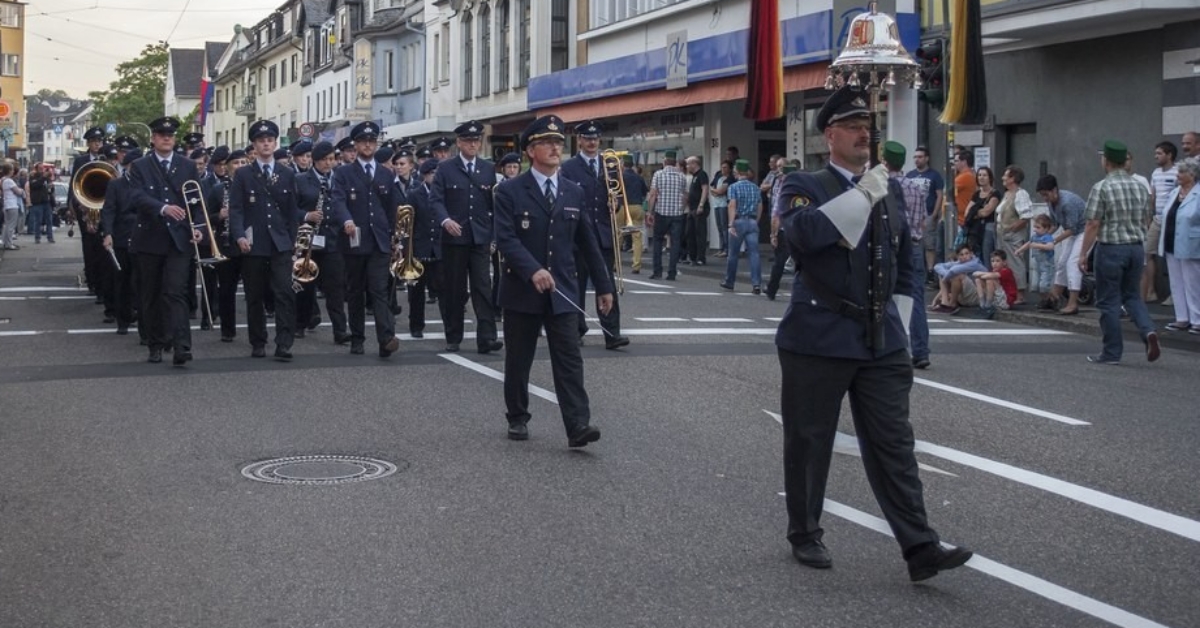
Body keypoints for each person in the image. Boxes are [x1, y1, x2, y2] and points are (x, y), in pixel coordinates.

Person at [775, 84, 972, 580]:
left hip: (880, 338)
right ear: (830, 134)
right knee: (810, 441)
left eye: (869, 127)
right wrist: (862, 194)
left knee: (894, 443)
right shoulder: (804, 182)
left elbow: (906, 260)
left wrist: (900, 325)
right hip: (819, 332)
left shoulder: (888, 188)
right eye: (855, 127)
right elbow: (803, 235)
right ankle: (805, 531)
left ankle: (919, 545)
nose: (866, 135)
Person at [493, 114, 614, 447]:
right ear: (531, 150)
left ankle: (578, 424)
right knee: (519, 359)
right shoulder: (510, 191)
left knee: (569, 358)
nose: (554, 148)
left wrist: (604, 287)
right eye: (547, 143)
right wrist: (532, 269)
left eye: (559, 142)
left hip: (563, 290)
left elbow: (588, 242)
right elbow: (506, 239)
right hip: (522, 289)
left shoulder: (573, 191)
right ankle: (517, 416)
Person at [127, 116, 203, 366]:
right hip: (150, 238)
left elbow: (195, 199)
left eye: (170, 135)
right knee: (151, 294)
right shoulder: (140, 166)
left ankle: (182, 346)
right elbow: (136, 198)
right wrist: (163, 208)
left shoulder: (187, 166)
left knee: (175, 292)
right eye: (162, 135)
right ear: (153, 139)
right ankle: (156, 343)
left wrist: (198, 227)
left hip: (179, 239)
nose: (167, 138)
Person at [1078, 140, 1160, 365]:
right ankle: (1148, 331)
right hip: (1135, 247)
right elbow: (1147, 217)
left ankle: (1112, 352)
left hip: (1111, 248)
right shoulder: (1139, 186)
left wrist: (1083, 252)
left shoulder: (1101, 187)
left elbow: (1093, 223)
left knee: (1108, 302)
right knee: (1132, 295)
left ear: (1107, 161)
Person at [228, 120, 303, 361]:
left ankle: (284, 343)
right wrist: (239, 235)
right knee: (255, 295)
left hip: (280, 242)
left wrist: (294, 241)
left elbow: (292, 211)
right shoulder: (243, 174)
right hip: (254, 242)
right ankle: (258, 341)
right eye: (261, 141)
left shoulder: (287, 173)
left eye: (270, 140)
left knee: (284, 293)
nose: (266, 144)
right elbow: (236, 209)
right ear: (254, 145)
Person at [429, 120, 503, 354]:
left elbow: (494, 205)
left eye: (476, 140)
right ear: (459, 143)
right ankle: (453, 335)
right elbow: (436, 200)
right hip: (454, 238)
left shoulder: (488, 168)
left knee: (483, 287)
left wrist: (493, 236)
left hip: (479, 237)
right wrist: (445, 220)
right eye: (469, 141)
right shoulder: (446, 168)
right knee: (455, 290)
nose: (473, 144)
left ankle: (487, 337)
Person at [330, 121, 404, 358]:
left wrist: (396, 238)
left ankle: (386, 339)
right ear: (356, 145)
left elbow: (393, 206)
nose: (368, 145)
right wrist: (346, 221)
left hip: (380, 240)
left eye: (371, 142)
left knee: (379, 290)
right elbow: (338, 201)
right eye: (363, 142)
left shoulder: (386, 173)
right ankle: (358, 338)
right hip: (354, 239)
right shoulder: (343, 173)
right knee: (355, 291)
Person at [559, 119, 628, 349]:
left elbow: (617, 194)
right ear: (579, 140)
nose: (592, 142)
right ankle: (577, 328)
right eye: (588, 138)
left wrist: (615, 203)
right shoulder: (568, 167)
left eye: (595, 138)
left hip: (603, 232)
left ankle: (612, 332)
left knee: (606, 283)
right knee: (576, 285)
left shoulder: (610, 164)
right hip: (578, 233)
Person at [882, 142, 932, 368]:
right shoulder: (915, 187)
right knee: (916, 300)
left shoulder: (884, 186)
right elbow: (922, 221)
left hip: (892, 247)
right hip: (915, 245)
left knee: (885, 297)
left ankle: (890, 348)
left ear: (885, 161)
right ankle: (921, 351)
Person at [294, 140, 350, 345]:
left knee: (335, 287)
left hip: (333, 239)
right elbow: (290, 208)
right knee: (305, 284)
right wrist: (307, 215)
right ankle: (300, 323)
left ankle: (340, 330)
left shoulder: (340, 178)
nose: (329, 163)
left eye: (332, 159)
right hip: (309, 239)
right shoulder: (300, 180)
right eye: (325, 160)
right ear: (315, 161)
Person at [100, 148, 143, 336]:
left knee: (142, 281)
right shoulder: (116, 185)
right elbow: (108, 210)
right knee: (122, 280)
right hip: (122, 236)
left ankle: (143, 321)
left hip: (143, 237)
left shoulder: (147, 183)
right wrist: (108, 233)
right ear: (129, 166)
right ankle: (123, 320)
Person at [1156, 157, 1200, 334]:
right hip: (1170, 242)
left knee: (1193, 283)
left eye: (1182, 172)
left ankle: (1197, 319)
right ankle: (1182, 318)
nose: (1178, 175)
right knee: (1176, 282)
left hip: (1191, 243)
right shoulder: (1175, 192)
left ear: (1192, 174)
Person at [1034, 175, 1087, 313]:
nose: (1044, 198)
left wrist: (1053, 240)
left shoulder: (1067, 202)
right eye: (1042, 195)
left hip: (1084, 231)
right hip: (1072, 231)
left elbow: (1072, 228)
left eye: (1046, 194)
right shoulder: (1051, 202)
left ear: (1054, 190)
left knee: (1073, 263)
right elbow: (1055, 223)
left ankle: (1073, 303)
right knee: (1062, 262)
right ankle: (1054, 298)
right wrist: (1045, 237)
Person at [406, 157, 443, 338]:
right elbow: (409, 224)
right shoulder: (414, 194)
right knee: (416, 291)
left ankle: (450, 325)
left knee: (444, 290)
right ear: (425, 176)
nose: (435, 177)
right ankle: (416, 325)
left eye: (438, 174)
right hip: (418, 248)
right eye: (432, 174)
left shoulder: (445, 194)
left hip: (439, 247)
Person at [719, 159, 763, 293]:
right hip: (752, 221)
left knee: (733, 254)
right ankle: (756, 283)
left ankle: (729, 281)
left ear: (737, 172)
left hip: (738, 221)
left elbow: (732, 205)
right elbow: (760, 206)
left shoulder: (733, 187)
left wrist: (731, 223)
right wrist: (756, 220)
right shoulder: (756, 188)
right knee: (754, 254)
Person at [646, 151, 688, 280]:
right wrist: (681, 208)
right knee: (675, 242)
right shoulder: (681, 176)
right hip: (677, 214)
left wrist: (649, 211)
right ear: (675, 162)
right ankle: (672, 273)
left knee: (658, 241)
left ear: (664, 162)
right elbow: (685, 195)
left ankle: (657, 271)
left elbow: (653, 194)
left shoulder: (658, 174)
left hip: (661, 212)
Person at [1145, 141, 1178, 303]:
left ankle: (1174, 293)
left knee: (1172, 256)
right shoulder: (1156, 173)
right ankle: (1150, 291)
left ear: (1169, 155)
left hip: (1173, 220)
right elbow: (1153, 196)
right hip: (1157, 219)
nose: (1156, 156)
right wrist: (1149, 217)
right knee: (1148, 252)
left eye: (1159, 153)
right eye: (1156, 153)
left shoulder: (1178, 171)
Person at [907, 146, 946, 277]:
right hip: (912, 216)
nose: (917, 159)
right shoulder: (910, 175)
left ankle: (930, 271)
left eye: (920, 157)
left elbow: (939, 195)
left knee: (930, 244)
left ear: (927, 158)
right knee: (914, 243)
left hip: (928, 214)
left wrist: (935, 213)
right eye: (915, 157)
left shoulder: (934, 175)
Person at [996, 165, 1034, 294]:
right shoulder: (1007, 194)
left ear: (1012, 178)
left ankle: (1020, 293)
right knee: (1006, 264)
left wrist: (1011, 230)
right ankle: (1010, 292)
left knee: (1015, 263)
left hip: (1012, 236)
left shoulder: (1021, 194)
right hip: (1003, 235)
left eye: (1005, 175)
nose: (1003, 178)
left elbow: (1026, 217)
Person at [930, 243, 988, 314]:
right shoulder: (958, 263)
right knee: (943, 274)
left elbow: (954, 271)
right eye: (961, 254)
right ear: (958, 256)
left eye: (967, 253)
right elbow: (937, 266)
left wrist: (945, 278)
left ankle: (952, 304)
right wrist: (935, 299)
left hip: (976, 295)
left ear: (971, 254)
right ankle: (944, 303)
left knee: (957, 275)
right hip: (965, 295)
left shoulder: (974, 263)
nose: (965, 256)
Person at [963, 166, 1002, 261]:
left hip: (988, 228)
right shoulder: (976, 194)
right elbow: (967, 212)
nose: (981, 177)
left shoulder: (995, 194)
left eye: (985, 175)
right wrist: (976, 213)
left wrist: (974, 213)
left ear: (990, 178)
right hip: (975, 230)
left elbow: (986, 212)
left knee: (987, 254)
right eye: (979, 175)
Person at [1015, 214, 1056, 298]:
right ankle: (1045, 301)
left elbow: (1050, 246)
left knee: (1044, 285)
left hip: (1047, 265)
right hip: (1038, 265)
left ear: (1046, 228)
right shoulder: (1035, 237)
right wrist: (1019, 250)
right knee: (1037, 285)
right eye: (1035, 227)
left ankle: (1054, 298)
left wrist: (1038, 246)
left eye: (1038, 227)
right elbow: (1028, 244)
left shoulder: (1047, 237)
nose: (1035, 230)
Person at [621, 155, 649, 273]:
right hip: (637, 207)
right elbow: (644, 192)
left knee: (618, 236)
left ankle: (614, 264)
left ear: (622, 164)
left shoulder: (620, 176)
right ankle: (636, 265)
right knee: (637, 238)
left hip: (623, 207)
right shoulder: (639, 177)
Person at [972, 250, 1019, 318]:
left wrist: (981, 274)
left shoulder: (1006, 271)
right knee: (978, 280)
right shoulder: (993, 271)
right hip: (997, 298)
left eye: (997, 261)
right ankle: (982, 305)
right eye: (992, 261)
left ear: (1004, 262)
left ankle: (988, 306)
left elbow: (988, 276)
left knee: (989, 280)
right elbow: (975, 274)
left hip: (1005, 301)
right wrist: (981, 275)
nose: (994, 263)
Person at [683, 155, 710, 266]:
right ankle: (693, 256)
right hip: (692, 208)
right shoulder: (694, 176)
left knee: (700, 233)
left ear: (694, 164)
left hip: (699, 208)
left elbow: (705, 189)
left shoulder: (702, 174)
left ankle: (700, 258)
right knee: (690, 232)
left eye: (688, 164)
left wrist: (701, 205)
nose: (687, 166)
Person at [710, 160, 732, 258]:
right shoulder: (718, 175)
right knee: (719, 226)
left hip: (724, 204)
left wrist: (716, 191)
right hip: (716, 204)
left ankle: (727, 249)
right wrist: (716, 191)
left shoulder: (730, 178)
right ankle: (721, 248)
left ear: (729, 169)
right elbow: (712, 187)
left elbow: (721, 191)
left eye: (725, 167)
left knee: (724, 227)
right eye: (722, 167)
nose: (723, 169)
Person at [2, 162, 25, 250]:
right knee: (11, 225)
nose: (13, 171)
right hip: (12, 205)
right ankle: (9, 243)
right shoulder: (9, 181)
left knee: (7, 224)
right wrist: (22, 191)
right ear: (9, 171)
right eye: (12, 170)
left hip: (6, 204)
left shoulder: (3, 180)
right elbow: (17, 191)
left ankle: (5, 242)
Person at [952, 150, 976, 231]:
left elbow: (948, 190)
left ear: (964, 162)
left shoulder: (965, 176)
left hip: (959, 219)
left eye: (956, 161)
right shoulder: (966, 175)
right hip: (958, 218)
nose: (954, 163)